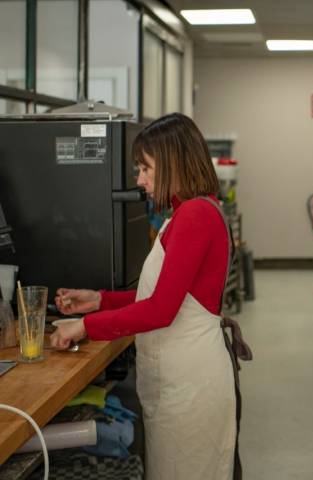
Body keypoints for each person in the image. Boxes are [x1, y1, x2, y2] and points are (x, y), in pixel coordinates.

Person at [50, 113, 241, 479]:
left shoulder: (195, 215)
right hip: (179, 381)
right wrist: (100, 300)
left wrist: (85, 326)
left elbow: (161, 310)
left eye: (145, 168)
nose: (139, 179)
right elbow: (160, 294)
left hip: (192, 385)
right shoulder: (184, 212)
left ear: (172, 162)